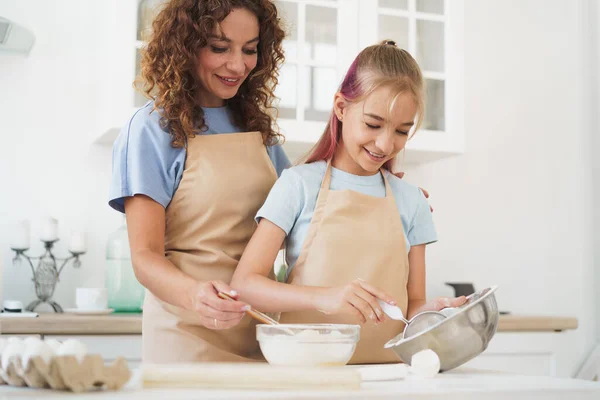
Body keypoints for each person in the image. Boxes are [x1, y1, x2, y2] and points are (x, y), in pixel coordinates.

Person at [231, 41, 466, 364]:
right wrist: (326, 297)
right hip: (308, 373)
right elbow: (244, 285)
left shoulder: (412, 201)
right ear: (341, 108)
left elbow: (411, 305)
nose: (385, 144)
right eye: (373, 124)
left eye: (402, 131)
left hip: (390, 376)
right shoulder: (298, 184)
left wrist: (433, 312)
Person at [108, 0, 290, 363]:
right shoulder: (150, 130)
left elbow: (307, 204)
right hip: (184, 337)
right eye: (219, 48)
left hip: (260, 337)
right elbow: (144, 257)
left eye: (250, 50)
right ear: (185, 45)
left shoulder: (256, 129)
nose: (238, 65)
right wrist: (196, 295)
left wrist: (375, 185)